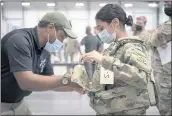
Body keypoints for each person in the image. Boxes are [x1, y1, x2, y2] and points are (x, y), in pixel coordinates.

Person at [1, 12, 83, 115]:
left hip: (18, 102)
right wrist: (66, 79)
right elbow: (26, 82)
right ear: (50, 28)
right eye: (61, 37)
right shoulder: (19, 41)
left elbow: (49, 81)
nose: (61, 42)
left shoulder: (45, 49)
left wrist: (73, 87)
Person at [79, 4, 155, 115]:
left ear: (115, 23)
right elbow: (109, 79)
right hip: (111, 109)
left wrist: (103, 60)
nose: (99, 32)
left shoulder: (132, 47)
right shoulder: (113, 48)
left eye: (101, 28)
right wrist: (90, 87)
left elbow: (142, 77)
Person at [142, 1, 171, 115]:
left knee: (166, 108)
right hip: (164, 76)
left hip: (167, 78)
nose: (166, 2)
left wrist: (153, 33)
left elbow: (153, 39)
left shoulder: (168, 26)